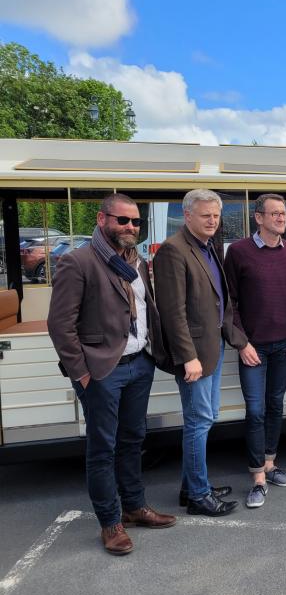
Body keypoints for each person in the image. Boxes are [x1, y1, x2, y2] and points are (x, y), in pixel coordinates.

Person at [48, 193, 175, 555]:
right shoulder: (78, 262)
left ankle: (135, 508)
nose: (130, 227)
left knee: (134, 441)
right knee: (102, 449)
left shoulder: (136, 262)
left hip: (139, 365)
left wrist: (151, 355)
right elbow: (60, 326)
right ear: (102, 219)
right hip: (103, 371)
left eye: (135, 222)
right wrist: (83, 375)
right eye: (122, 220)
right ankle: (110, 523)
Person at [154, 189, 248, 516]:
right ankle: (197, 496)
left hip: (212, 347)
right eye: (205, 215)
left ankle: (192, 486)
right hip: (194, 355)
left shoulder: (207, 246)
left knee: (205, 418)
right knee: (199, 421)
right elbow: (172, 311)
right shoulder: (172, 251)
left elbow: (218, 300)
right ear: (187, 215)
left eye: (216, 215)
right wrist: (187, 356)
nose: (212, 221)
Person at [223, 194, 286, 508]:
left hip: (284, 345)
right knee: (255, 411)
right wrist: (242, 343)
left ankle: (270, 464)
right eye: (274, 214)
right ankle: (257, 477)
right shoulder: (239, 252)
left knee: (275, 406)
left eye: (283, 213)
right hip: (252, 348)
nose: (281, 218)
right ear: (258, 218)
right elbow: (230, 303)